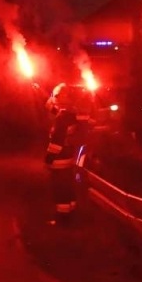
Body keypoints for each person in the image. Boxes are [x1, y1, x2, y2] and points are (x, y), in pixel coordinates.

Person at [44, 81, 94, 224]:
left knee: (60, 189)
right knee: (68, 187)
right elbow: (54, 109)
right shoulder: (70, 114)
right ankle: (70, 214)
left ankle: (62, 219)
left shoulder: (61, 118)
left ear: (63, 98)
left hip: (59, 160)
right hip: (68, 159)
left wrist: (48, 158)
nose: (55, 98)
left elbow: (56, 142)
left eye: (57, 96)